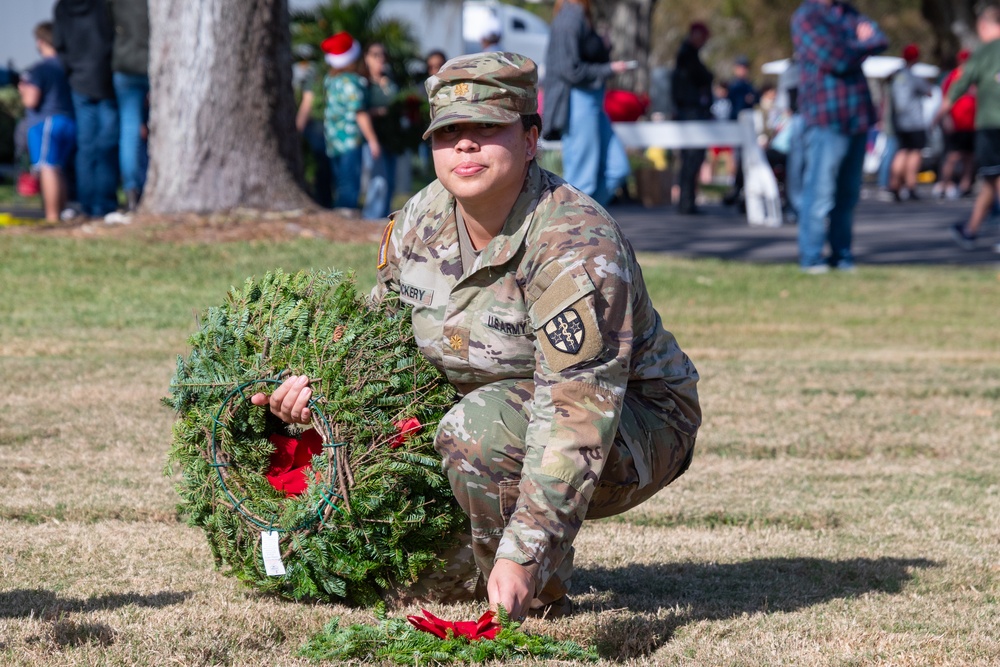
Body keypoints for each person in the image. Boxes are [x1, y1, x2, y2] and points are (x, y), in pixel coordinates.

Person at [251, 52, 701, 621]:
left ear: (531, 139)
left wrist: (522, 555)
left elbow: (578, 414)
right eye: (449, 132)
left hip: (632, 424)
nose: (465, 146)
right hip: (495, 404)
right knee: (424, 543)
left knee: (479, 430)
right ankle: (474, 558)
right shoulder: (421, 218)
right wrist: (313, 391)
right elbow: (379, 338)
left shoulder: (574, 245)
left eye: (487, 128)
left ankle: (531, 592)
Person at [792, 0, 887, 273]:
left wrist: (856, 44)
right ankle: (811, 257)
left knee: (848, 195)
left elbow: (880, 39)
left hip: (858, 116)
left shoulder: (849, 12)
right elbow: (835, 58)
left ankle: (841, 255)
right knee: (820, 193)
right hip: (826, 118)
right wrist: (860, 43)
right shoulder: (806, 16)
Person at [541, 0, 632, 208]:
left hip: (592, 101)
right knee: (583, 179)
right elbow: (569, 70)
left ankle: (583, 220)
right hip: (578, 101)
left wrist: (603, 47)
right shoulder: (569, 17)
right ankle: (572, 228)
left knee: (617, 168)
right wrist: (609, 69)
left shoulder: (580, 15)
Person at [936, 3, 1000, 252]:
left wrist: (940, 112)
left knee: (995, 178)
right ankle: (970, 230)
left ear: (984, 25)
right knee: (989, 179)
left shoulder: (984, 52)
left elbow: (960, 84)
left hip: (991, 126)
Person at [54, 0, 120, 219]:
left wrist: (72, 72)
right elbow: (114, 37)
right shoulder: (103, 5)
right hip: (105, 80)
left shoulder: (62, 7)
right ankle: (106, 204)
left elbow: (59, 45)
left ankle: (88, 204)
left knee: (86, 147)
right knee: (107, 146)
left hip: (80, 82)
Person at [18, 22, 76, 222]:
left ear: (40, 42)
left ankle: (52, 217)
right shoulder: (67, 67)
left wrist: (23, 90)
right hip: (68, 121)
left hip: (46, 122)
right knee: (58, 168)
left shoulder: (40, 69)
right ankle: (60, 212)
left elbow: (31, 100)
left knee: (47, 167)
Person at [320, 32, 381, 216]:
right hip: (350, 141)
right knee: (350, 181)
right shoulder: (353, 82)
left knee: (339, 180)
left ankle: (340, 210)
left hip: (332, 140)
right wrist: (372, 140)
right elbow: (359, 113)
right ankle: (348, 215)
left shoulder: (330, 80)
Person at [107, 0, 149, 216]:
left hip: (125, 64)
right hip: (153, 63)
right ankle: (148, 183)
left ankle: (132, 190)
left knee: (130, 129)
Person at [671, 22, 714, 214]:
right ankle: (686, 202)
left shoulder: (688, 54)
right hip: (690, 112)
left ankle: (687, 201)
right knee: (691, 157)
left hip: (690, 111)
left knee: (692, 158)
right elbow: (701, 77)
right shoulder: (687, 55)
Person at [887, 44, 933, 202]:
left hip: (899, 121)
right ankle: (911, 185)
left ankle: (894, 185)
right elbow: (929, 92)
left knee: (901, 151)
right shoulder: (912, 76)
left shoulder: (895, 75)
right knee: (915, 153)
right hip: (914, 122)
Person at [361, 42, 399, 220]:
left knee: (390, 181)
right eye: (375, 54)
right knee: (378, 181)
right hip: (372, 137)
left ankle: (385, 219)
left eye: (383, 54)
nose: (380, 59)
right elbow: (358, 111)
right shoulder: (364, 83)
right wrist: (378, 112)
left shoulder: (390, 81)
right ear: (367, 58)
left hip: (391, 138)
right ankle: (372, 218)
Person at [935, 49, 976, 200]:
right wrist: (944, 118)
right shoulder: (952, 76)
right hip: (956, 123)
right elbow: (945, 99)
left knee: (969, 157)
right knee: (953, 156)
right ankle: (945, 185)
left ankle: (965, 186)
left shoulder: (974, 77)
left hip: (972, 124)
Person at [722, 55, 759, 206]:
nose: (742, 70)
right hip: (736, 126)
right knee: (737, 159)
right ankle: (737, 189)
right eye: (740, 67)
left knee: (746, 159)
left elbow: (754, 100)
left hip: (748, 126)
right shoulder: (736, 86)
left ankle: (740, 190)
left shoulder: (749, 85)